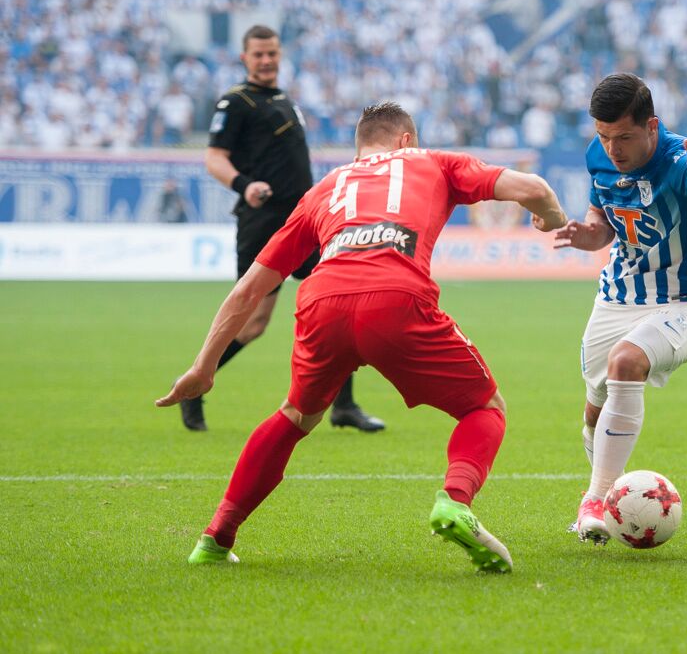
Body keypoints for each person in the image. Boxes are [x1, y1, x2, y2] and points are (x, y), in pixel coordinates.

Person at [156, 101, 567, 573]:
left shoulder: (325, 189)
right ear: (406, 140)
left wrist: (204, 366)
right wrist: (551, 216)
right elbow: (533, 187)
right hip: (396, 298)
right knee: (485, 408)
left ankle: (215, 537)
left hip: (320, 302)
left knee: (295, 416)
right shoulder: (433, 161)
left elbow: (250, 288)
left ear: (360, 146)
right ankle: (455, 501)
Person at [552, 73, 687, 544]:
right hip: (617, 297)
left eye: (624, 137)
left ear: (651, 126)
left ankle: (594, 500)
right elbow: (602, 223)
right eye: (603, 136)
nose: (612, 148)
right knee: (593, 414)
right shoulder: (600, 156)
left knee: (627, 363)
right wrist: (586, 235)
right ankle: (616, 504)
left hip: (686, 302)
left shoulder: (677, 158)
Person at [187, 24, 383, 433]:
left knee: (340, 305)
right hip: (264, 221)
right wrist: (245, 185)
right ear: (245, 58)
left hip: (306, 221)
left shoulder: (284, 100)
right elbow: (214, 158)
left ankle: (344, 406)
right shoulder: (235, 102)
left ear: (280, 55)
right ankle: (193, 384)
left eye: (272, 53)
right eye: (258, 54)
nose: (266, 60)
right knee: (253, 323)